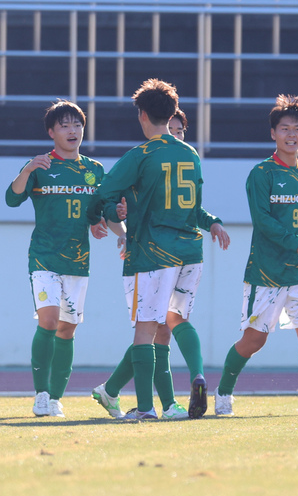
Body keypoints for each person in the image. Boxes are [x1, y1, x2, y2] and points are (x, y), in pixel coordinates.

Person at [89, 79, 229, 420]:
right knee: (170, 325)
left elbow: (102, 193)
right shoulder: (190, 153)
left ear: (142, 114)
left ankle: (146, 409)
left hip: (152, 252)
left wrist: (107, 215)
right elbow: (193, 207)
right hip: (190, 253)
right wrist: (212, 222)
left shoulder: (141, 154)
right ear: (171, 114)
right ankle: (168, 403)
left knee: (145, 329)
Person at [214, 95, 298, 417]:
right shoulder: (261, 173)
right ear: (273, 133)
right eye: (285, 128)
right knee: (253, 341)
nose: (292, 134)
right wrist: (296, 243)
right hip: (266, 271)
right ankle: (222, 393)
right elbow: (262, 221)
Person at [6, 100, 124, 418]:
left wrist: (119, 231)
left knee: (67, 330)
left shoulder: (94, 170)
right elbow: (12, 198)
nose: (73, 131)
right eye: (65, 125)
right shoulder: (42, 166)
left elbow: (104, 213)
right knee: (48, 321)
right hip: (43, 257)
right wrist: (28, 168)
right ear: (51, 132)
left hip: (78, 261)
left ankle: (57, 397)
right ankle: (41, 394)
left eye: (77, 125)